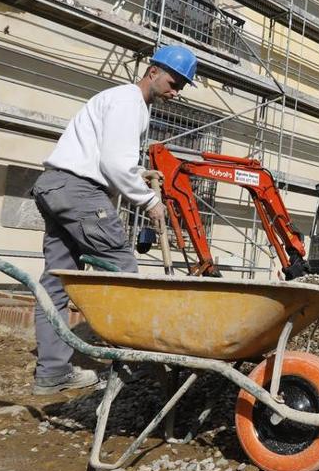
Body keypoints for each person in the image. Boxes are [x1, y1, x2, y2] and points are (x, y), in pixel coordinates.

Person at [29, 45, 198, 395]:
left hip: (54, 186)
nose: (175, 91)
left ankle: (52, 372)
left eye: (181, 85)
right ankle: (138, 363)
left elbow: (113, 161)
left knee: (56, 285)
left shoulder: (116, 100)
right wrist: (150, 200)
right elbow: (115, 164)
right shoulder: (129, 102)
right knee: (123, 273)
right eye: (173, 81)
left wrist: (136, 177)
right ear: (153, 71)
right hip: (79, 190)